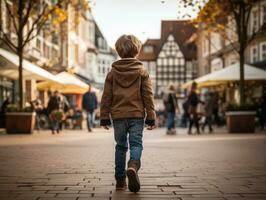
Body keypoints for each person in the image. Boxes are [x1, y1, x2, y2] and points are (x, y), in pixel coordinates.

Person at [100, 35, 156, 192]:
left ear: (118, 51)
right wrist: (151, 117)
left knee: (120, 146)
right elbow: (148, 95)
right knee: (136, 144)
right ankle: (132, 165)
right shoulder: (142, 72)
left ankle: (120, 180)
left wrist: (104, 117)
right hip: (137, 115)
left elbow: (106, 96)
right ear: (137, 51)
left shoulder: (112, 73)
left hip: (118, 116)